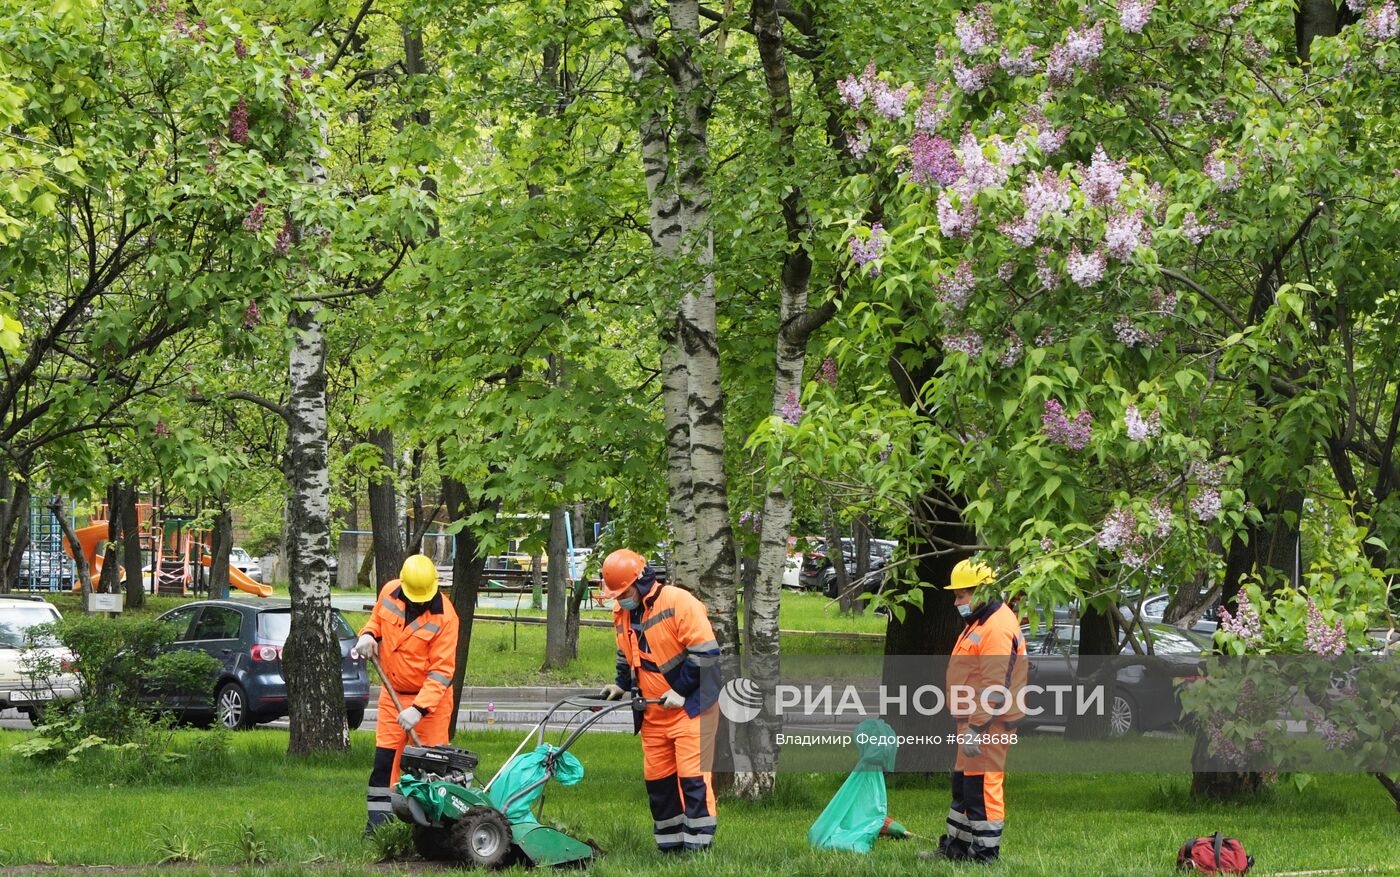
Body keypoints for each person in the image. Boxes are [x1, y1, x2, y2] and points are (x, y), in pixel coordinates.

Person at [597, 548, 721, 853]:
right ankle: (670, 850)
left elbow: (706, 654)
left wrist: (680, 690)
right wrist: (620, 684)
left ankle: (699, 852)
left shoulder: (679, 602)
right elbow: (626, 653)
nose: (619, 599)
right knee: (659, 784)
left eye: (622, 592)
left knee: (693, 780)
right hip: (654, 712)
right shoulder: (623, 613)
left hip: (691, 708)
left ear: (640, 582)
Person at [922, 558, 1027, 864]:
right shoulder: (981, 622)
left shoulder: (996, 626)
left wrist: (977, 729)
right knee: (965, 786)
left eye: (961, 595)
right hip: (975, 723)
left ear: (980, 591)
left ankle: (985, 854)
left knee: (982, 786)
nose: (956, 602)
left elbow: (995, 686)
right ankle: (956, 848)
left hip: (987, 725)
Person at [353, 554, 459, 834]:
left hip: (430, 705)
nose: (419, 602)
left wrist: (419, 709)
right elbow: (376, 621)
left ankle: (431, 833)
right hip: (392, 695)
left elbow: (442, 672)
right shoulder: (390, 591)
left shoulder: (446, 617)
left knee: (431, 770)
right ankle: (378, 829)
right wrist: (367, 635)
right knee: (385, 764)